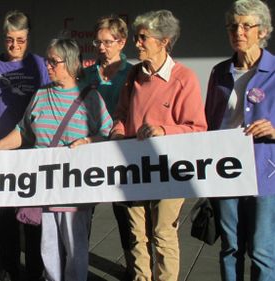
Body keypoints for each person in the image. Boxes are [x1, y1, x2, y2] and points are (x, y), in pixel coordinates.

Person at [0, 38, 113, 281]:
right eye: (47, 61)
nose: (48, 67)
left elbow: (107, 133)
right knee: (49, 250)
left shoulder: (91, 98)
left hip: (76, 189)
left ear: (72, 63)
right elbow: (23, 131)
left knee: (76, 252)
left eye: (54, 62)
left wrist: (89, 141)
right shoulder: (41, 95)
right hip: (46, 189)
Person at [110, 10, 207, 281]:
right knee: (136, 232)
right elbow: (121, 115)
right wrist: (117, 132)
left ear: (164, 41)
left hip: (170, 169)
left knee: (163, 233)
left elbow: (197, 128)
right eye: (136, 37)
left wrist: (163, 130)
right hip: (135, 167)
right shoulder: (133, 74)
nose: (136, 43)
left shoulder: (184, 78)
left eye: (143, 38)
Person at [0, 10, 50, 281]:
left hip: (31, 149)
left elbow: (48, 101)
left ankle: (34, 269)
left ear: (28, 38)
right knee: (6, 212)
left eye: (20, 40)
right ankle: (8, 267)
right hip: (0, 147)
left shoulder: (39, 65)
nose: (14, 46)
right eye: (9, 40)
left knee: (32, 214)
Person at [204, 1, 275, 280]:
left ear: (263, 30)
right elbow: (209, 122)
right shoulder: (219, 72)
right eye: (233, 26)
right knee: (230, 247)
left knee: (261, 250)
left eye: (247, 25)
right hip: (227, 173)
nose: (239, 32)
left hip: (265, 173)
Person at [81, 15, 132, 278]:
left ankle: (133, 268)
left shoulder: (132, 73)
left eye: (107, 42)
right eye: (98, 42)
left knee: (126, 216)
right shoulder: (87, 74)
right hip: (89, 152)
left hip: (121, 154)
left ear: (121, 42)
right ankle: (77, 265)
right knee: (83, 214)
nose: (101, 47)